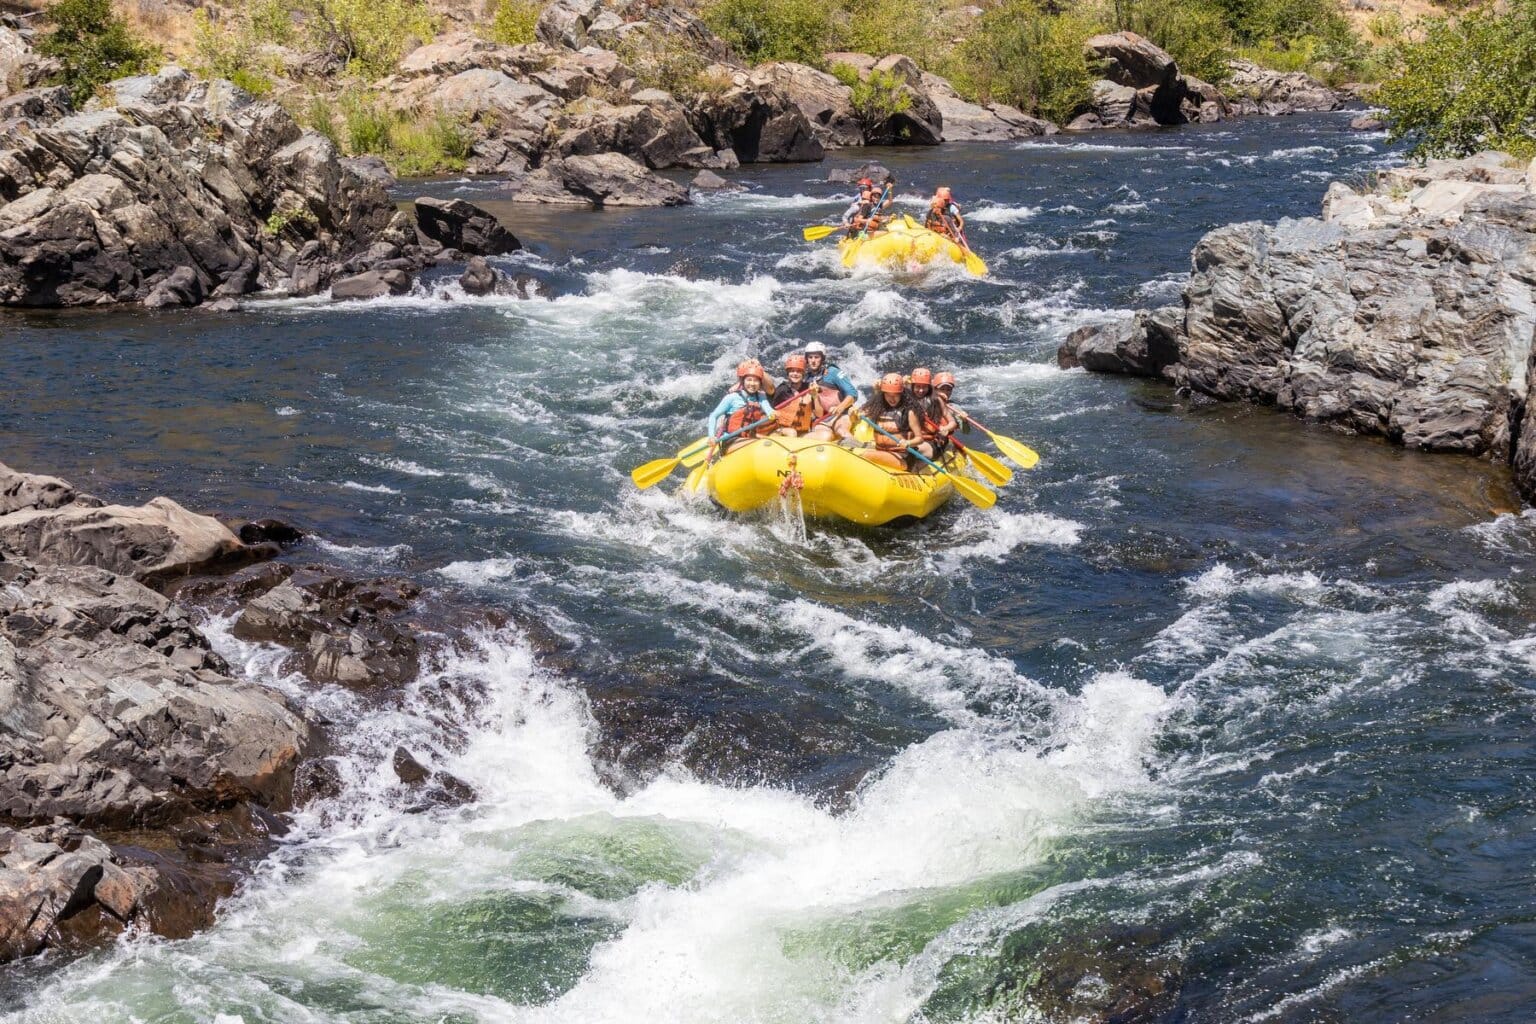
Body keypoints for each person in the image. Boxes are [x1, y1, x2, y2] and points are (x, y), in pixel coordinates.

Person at [856, 372, 932, 471]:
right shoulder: (877, 408)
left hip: (902, 457)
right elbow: (858, 416)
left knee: (865, 456)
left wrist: (908, 442)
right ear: (883, 395)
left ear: (901, 394)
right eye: (888, 395)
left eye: (895, 395)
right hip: (881, 451)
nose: (892, 399)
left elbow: (919, 439)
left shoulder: (909, 412)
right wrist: (853, 413)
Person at [706, 360, 775, 453]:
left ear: (760, 383)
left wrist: (773, 413)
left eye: (756, 380)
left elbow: (768, 409)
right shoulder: (732, 397)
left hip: (749, 437)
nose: (752, 384)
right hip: (731, 439)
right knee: (756, 445)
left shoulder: (761, 396)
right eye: (749, 380)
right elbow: (713, 416)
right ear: (743, 381)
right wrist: (711, 436)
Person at [803, 341, 859, 439]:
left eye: (816, 357)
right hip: (823, 418)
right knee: (824, 436)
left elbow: (853, 393)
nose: (813, 360)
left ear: (822, 359)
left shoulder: (834, 372)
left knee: (841, 431)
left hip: (841, 414)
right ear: (807, 359)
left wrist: (840, 407)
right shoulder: (806, 379)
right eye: (810, 357)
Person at [907, 367, 957, 457]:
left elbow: (952, 422)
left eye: (924, 387)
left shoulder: (937, 400)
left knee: (910, 450)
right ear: (913, 386)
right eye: (918, 386)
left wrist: (946, 428)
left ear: (929, 387)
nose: (921, 390)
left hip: (931, 441)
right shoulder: (906, 399)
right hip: (912, 438)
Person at [772, 353, 817, 436]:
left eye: (799, 371)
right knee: (792, 433)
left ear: (803, 373)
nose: (795, 374)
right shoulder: (782, 390)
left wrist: (815, 395)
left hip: (803, 430)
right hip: (782, 429)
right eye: (792, 371)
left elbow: (818, 413)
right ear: (788, 373)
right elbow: (772, 410)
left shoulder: (809, 388)